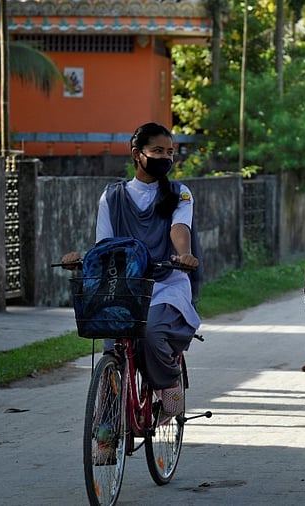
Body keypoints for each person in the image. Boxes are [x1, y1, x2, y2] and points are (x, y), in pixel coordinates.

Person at [62, 122, 200, 416]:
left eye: (170, 152)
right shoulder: (111, 196)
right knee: (112, 348)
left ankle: (169, 384)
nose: (166, 157)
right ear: (137, 154)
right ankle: (106, 432)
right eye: (158, 151)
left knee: (149, 332)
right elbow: (106, 245)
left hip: (167, 284)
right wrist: (84, 259)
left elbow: (179, 228)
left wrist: (184, 254)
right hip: (124, 287)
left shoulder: (180, 193)